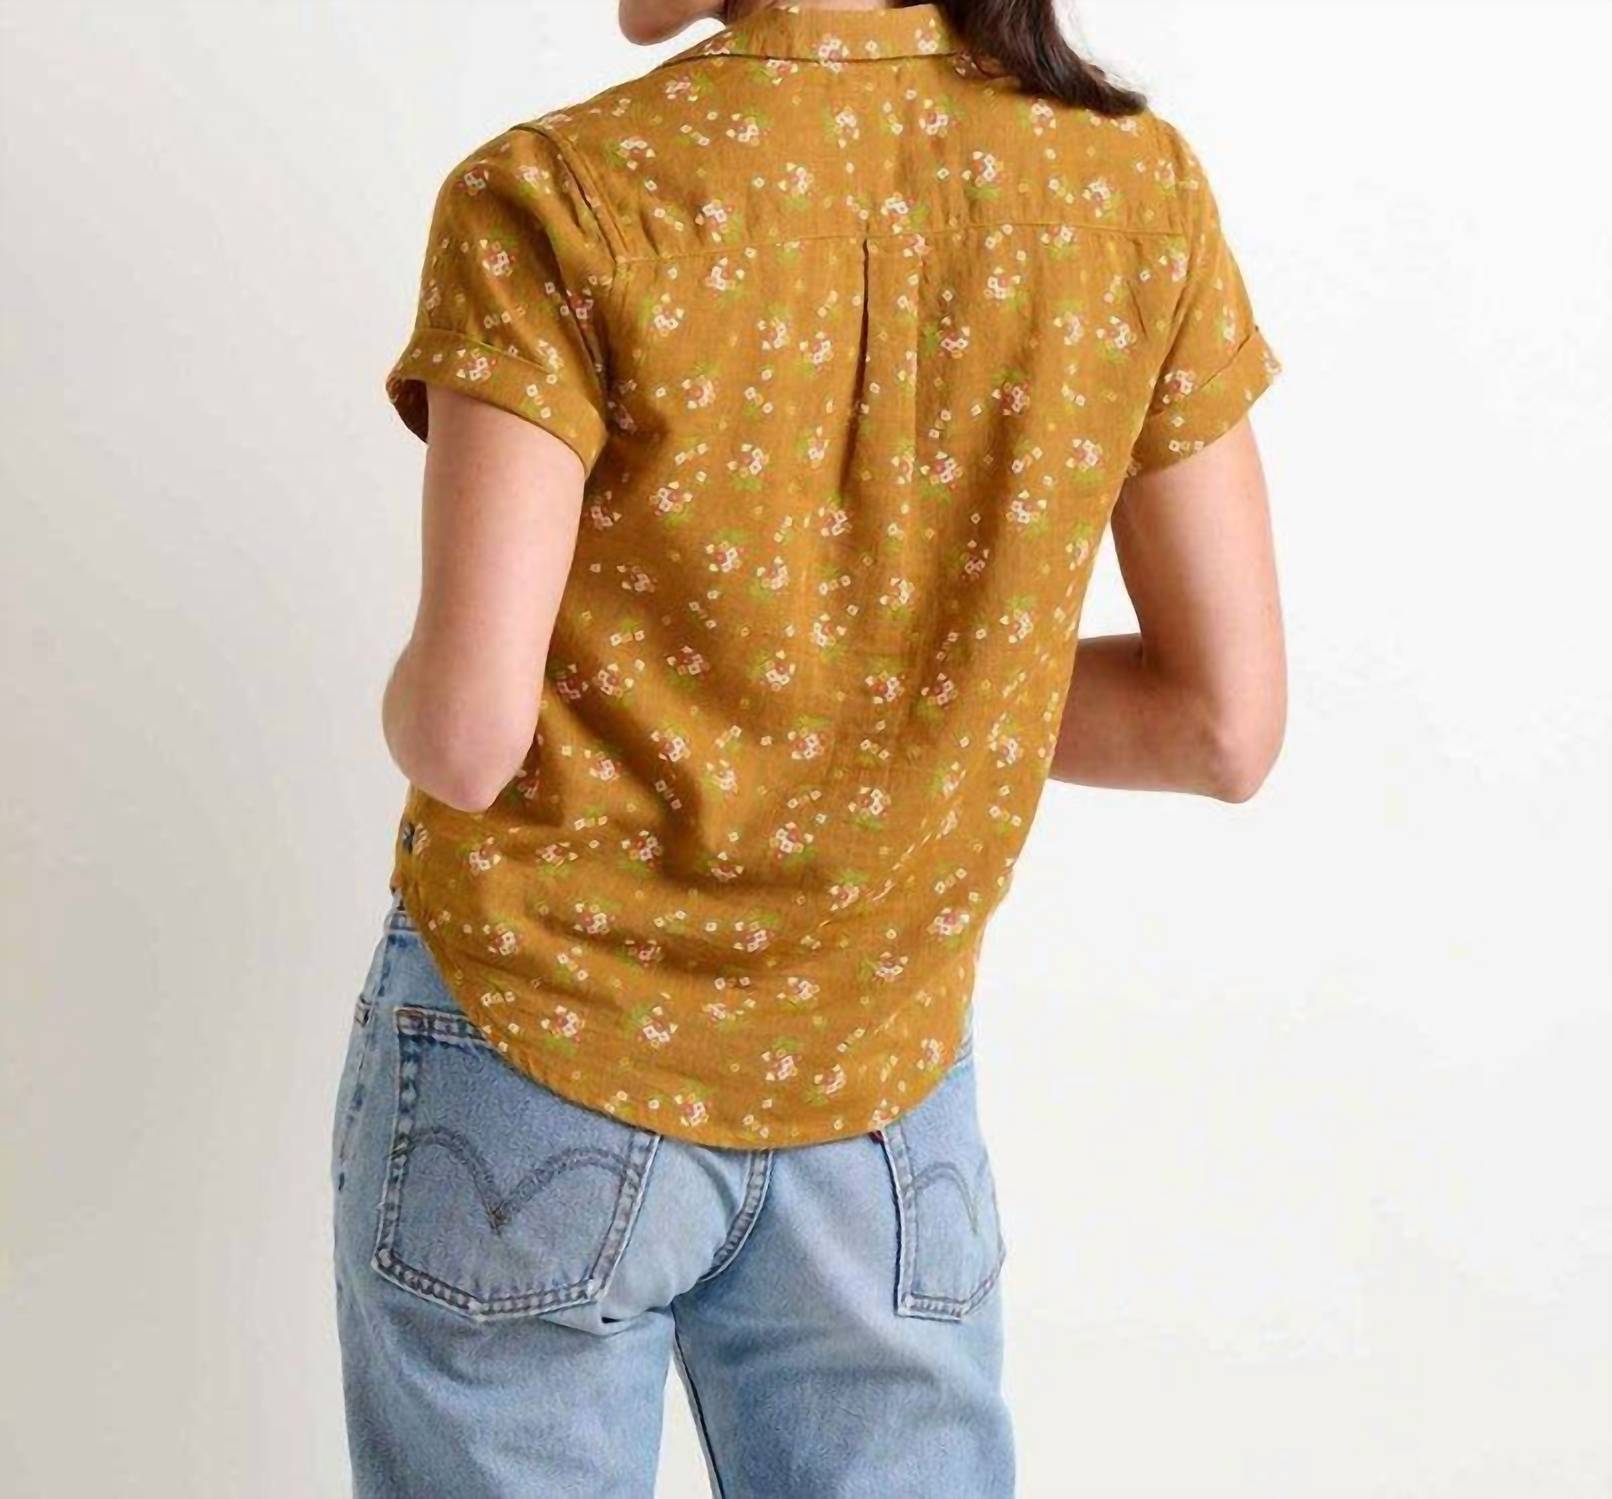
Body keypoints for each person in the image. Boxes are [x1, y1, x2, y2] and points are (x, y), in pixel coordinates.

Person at [330, 0, 1285, 1492]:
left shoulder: (563, 195)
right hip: (884, 1095)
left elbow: (462, 736)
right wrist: (893, 696)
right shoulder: (1130, 190)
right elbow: (1220, 726)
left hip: (539, 1043)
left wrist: (404, 689)